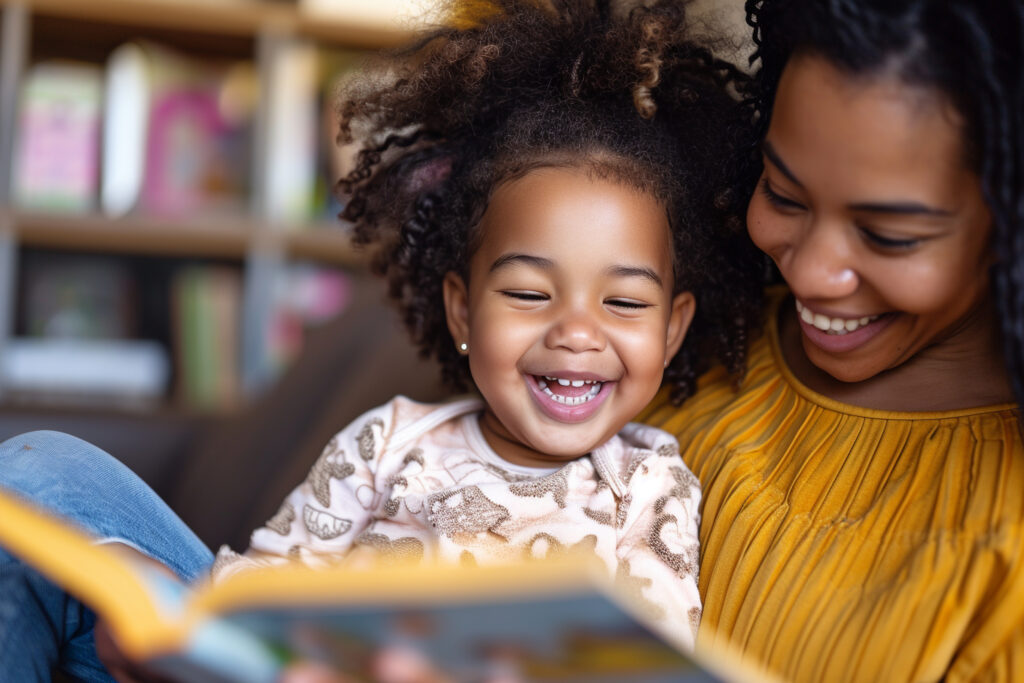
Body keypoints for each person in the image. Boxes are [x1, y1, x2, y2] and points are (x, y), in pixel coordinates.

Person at [0, 0, 764, 679]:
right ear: (463, 312)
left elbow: (647, 650)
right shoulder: (391, 441)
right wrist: (155, 595)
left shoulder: (650, 484)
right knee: (41, 477)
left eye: (624, 302)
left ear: (673, 329)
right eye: (529, 293)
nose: (575, 331)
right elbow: (267, 583)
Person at [641, 0, 1024, 681]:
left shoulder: (1006, 546)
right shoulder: (681, 347)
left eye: (889, 237)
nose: (813, 273)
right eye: (784, 194)